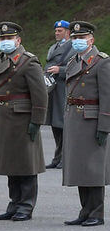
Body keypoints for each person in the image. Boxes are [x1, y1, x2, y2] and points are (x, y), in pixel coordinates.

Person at [0, 22, 47, 221]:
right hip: (3, 118)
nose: (5, 42)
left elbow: (40, 94)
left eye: (8, 38)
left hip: (22, 118)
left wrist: (36, 121)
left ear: (18, 40)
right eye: (2, 39)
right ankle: (14, 202)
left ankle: (26, 205)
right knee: (10, 163)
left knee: (26, 164)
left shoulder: (28, 62)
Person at [60, 20, 110, 226]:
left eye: (81, 37)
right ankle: (85, 210)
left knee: (94, 168)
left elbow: (107, 96)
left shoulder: (101, 62)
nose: (78, 41)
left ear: (91, 39)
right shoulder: (73, 61)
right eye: (75, 38)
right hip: (75, 119)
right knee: (80, 167)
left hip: (92, 119)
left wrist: (104, 125)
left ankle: (96, 213)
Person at [46, 20, 74, 169]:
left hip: (64, 89)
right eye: (56, 31)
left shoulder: (73, 47)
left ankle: (66, 157)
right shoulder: (53, 48)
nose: (57, 33)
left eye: (60, 31)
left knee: (64, 126)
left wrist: (61, 70)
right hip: (52, 90)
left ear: (68, 32)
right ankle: (57, 157)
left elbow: (77, 67)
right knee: (55, 126)